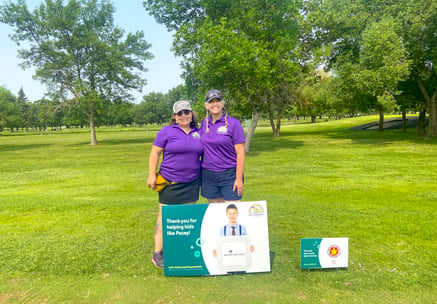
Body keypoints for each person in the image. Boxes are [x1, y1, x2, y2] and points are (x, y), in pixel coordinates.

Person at [147, 100, 203, 268]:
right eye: (180, 113)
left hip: (192, 182)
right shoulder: (166, 132)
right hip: (170, 182)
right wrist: (151, 174)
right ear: (174, 116)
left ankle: (183, 249)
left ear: (191, 113)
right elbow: (155, 153)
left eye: (186, 112)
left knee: (186, 218)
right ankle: (158, 253)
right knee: (164, 217)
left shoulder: (199, 132)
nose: (183, 116)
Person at [200, 89, 245, 203]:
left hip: (229, 175)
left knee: (232, 213)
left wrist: (239, 179)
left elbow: (240, 153)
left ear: (222, 103)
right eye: (211, 101)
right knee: (216, 214)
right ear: (206, 105)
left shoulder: (234, 123)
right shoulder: (204, 124)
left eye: (218, 100)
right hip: (209, 175)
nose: (215, 104)